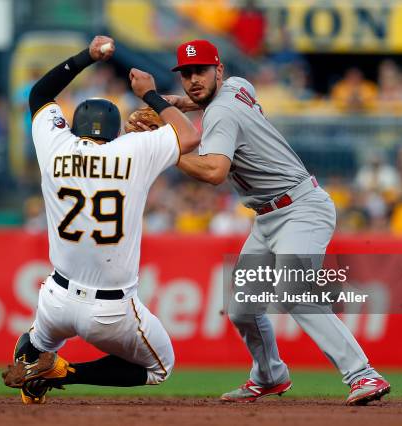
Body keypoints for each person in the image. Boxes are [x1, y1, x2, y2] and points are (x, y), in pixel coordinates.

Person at [165, 39, 390, 405]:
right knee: (241, 307)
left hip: (301, 208)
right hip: (269, 217)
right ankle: (269, 375)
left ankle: (364, 375)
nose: (193, 79)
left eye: (201, 71)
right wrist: (177, 104)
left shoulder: (221, 114)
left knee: (293, 292)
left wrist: (166, 147)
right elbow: (212, 99)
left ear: (217, 70)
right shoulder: (238, 85)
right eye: (187, 73)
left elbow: (213, 171)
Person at [1, 35, 200, 404]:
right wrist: (151, 96)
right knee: (160, 367)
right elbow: (188, 135)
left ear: (75, 128)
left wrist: (86, 57)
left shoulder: (56, 145)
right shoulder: (133, 149)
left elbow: (38, 94)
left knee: (36, 340)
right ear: (114, 132)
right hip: (111, 310)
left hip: (57, 298)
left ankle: (34, 367)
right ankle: (65, 371)